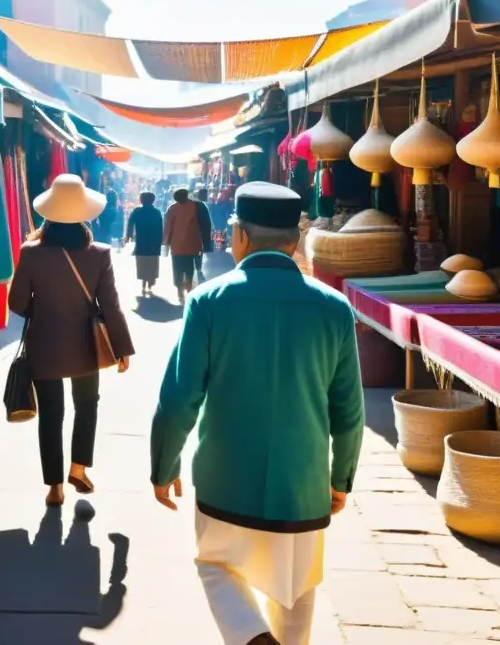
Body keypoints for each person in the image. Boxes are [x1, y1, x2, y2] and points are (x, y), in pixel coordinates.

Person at [149, 182, 365, 645]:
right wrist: (340, 479)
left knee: (216, 567)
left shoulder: (210, 301)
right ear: (295, 240)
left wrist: (163, 466)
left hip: (225, 480)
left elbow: (179, 397)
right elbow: (349, 411)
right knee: (295, 594)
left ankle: (249, 636)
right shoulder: (334, 309)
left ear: (239, 236)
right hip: (302, 485)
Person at [9, 175, 135, 507]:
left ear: (49, 212)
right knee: (87, 405)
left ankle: (55, 487)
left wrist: (45, 308)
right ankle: (78, 468)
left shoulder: (31, 252)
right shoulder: (99, 253)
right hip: (86, 344)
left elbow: (16, 303)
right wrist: (122, 348)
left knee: (52, 414)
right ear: (83, 212)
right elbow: (111, 306)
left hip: (45, 343)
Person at [163, 188, 204, 304]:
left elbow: (168, 227)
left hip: (177, 246)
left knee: (177, 269)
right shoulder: (195, 207)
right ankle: (189, 287)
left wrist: (166, 242)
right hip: (192, 244)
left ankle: (180, 291)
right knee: (190, 268)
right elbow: (201, 224)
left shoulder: (172, 209)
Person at [124, 191, 163, 296]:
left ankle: (143, 283)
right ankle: (151, 281)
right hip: (154, 241)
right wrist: (162, 240)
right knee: (153, 262)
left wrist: (129, 236)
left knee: (142, 262)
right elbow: (160, 228)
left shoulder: (137, 211)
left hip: (141, 241)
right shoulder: (157, 212)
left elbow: (130, 224)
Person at [193, 188, 214, 283]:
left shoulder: (194, 205)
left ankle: (196, 272)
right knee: (198, 253)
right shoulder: (202, 205)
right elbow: (207, 222)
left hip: (194, 234)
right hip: (201, 234)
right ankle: (198, 271)